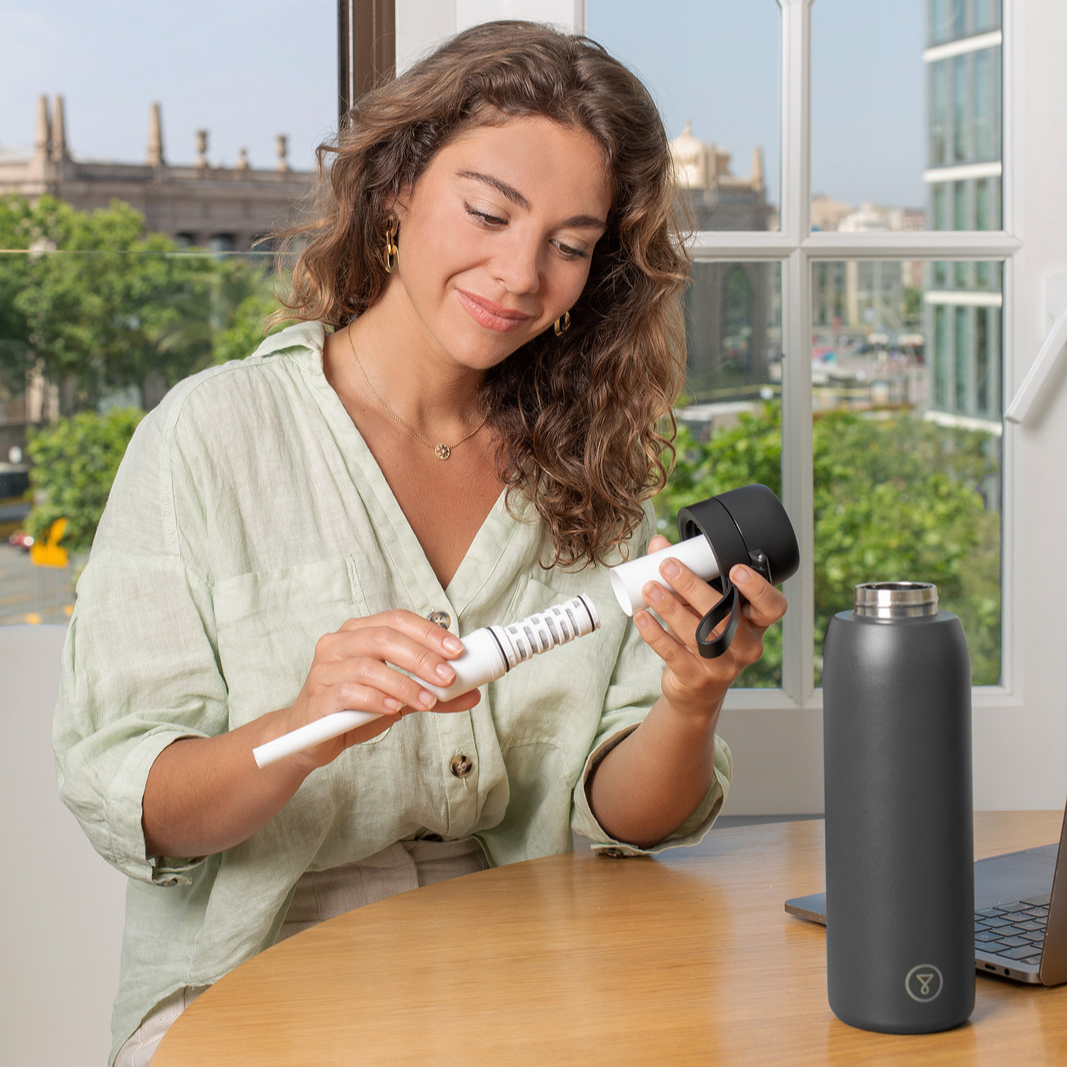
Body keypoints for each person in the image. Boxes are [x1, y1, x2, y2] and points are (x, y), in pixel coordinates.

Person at [52, 20, 787, 1066]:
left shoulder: (590, 467)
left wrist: (687, 697)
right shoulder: (211, 437)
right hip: (261, 964)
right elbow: (141, 810)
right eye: (487, 212)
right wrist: (306, 720)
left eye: (570, 245)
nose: (519, 274)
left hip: (536, 948)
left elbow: (635, 818)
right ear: (395, 188)